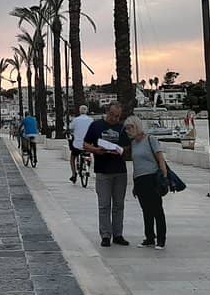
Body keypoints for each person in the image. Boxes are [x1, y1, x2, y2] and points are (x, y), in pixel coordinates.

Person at [83, 102, 130, 247]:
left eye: (117, 116)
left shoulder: (122, 128)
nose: (115, 119)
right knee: (104, 205)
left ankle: (118, 234)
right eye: (112, 115)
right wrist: (96, 150)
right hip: (103, 170)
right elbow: (85, 144)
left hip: (119, 170)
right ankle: (105, 235)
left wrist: (121, 150)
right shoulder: (96, 126)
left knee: (119, 205)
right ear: (107, 112)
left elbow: (128, 146)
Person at [124, 116, 168, 250]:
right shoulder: (133, 143)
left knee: (157, 210)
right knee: (146, 210)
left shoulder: (150, 140)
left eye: (130, 128)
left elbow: (160, 159)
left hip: (152, 178)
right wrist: (134, 183)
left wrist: (164, 177)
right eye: (126, 128)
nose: (127, 131)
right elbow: (136, 163)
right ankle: (149, 237)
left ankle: (161, 239)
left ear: (136, 126)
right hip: (140, 179)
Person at [69, 105, 93, 184]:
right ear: (87, 111)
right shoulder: (91, 120)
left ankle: (73, 174)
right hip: (88, 144)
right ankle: (87, 167)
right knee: (88, 155)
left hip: (77, 145)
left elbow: (70, 128)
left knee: (73, 157)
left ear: (79, 111)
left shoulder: (76, 120)